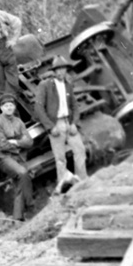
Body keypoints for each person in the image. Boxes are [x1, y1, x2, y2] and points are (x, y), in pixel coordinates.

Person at [35, 55, 89, 194]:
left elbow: (75, 106)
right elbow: (39, 108)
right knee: (60, 158)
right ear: (54, 71)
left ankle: (83, 181)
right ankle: (63, 186)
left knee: (80, 150)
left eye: (63, 69)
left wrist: (74, 123)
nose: (61, 72)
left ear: (66, 70)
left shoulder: (68, 85)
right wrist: (50, 127)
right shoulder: (45, 85)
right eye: (58, 70)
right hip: (56, 124)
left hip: (68, 122)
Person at [0, 93, 34, 220]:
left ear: (14, 107)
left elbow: (29, 142)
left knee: (22, 182)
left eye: (11, 105)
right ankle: (31, 205)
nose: (9, 108)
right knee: (23, 173)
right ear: (1, 108)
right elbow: (2, 145)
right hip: (3, 158)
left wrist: (15, 142)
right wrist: (20, 143)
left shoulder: (18, 122)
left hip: (18, 155)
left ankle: (18, 217)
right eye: (6, 106)